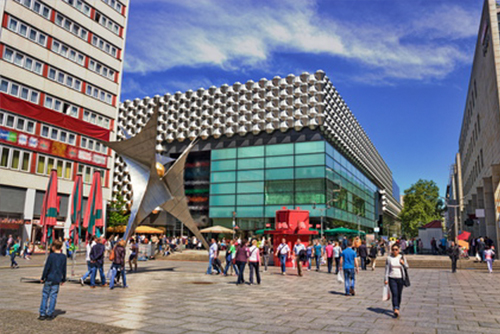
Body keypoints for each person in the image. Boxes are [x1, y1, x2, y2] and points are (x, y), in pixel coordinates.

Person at [38, 240, 66, 321]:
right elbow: (64, 269)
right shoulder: (63, 257)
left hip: (49, 278)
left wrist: (43, 277)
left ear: (53, 247)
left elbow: (47, 267)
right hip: (57, 279)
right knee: (53, 296)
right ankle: (50, 313)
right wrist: (63, 279)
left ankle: (42, 313)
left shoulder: (51, 256)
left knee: (45, 295)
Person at [384, 244, 409, 318]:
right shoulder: (389, 258)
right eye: (393, 249)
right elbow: (387, 269)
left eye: (396, 249)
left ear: (399, 250)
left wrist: (403, 263)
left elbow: (407, 266)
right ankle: (396, 308)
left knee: (399, 294)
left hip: (400, 278)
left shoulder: (402, 257)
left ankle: (397, 305)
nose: (394, 251)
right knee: (394, 293)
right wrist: (386, 279)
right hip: (392, 278)